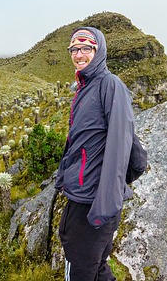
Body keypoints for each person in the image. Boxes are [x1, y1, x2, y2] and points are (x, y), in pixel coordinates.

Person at [55, 26, 145, 281]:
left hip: (95, 201)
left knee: (82, 272)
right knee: (95, 268)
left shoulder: (109, 85)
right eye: (74, 49)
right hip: (81, 194)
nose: (79, 54)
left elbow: (121, 145)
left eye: (86, 48)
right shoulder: (85, 87)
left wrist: (106, 203)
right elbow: (80, 142)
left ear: (98, 50)